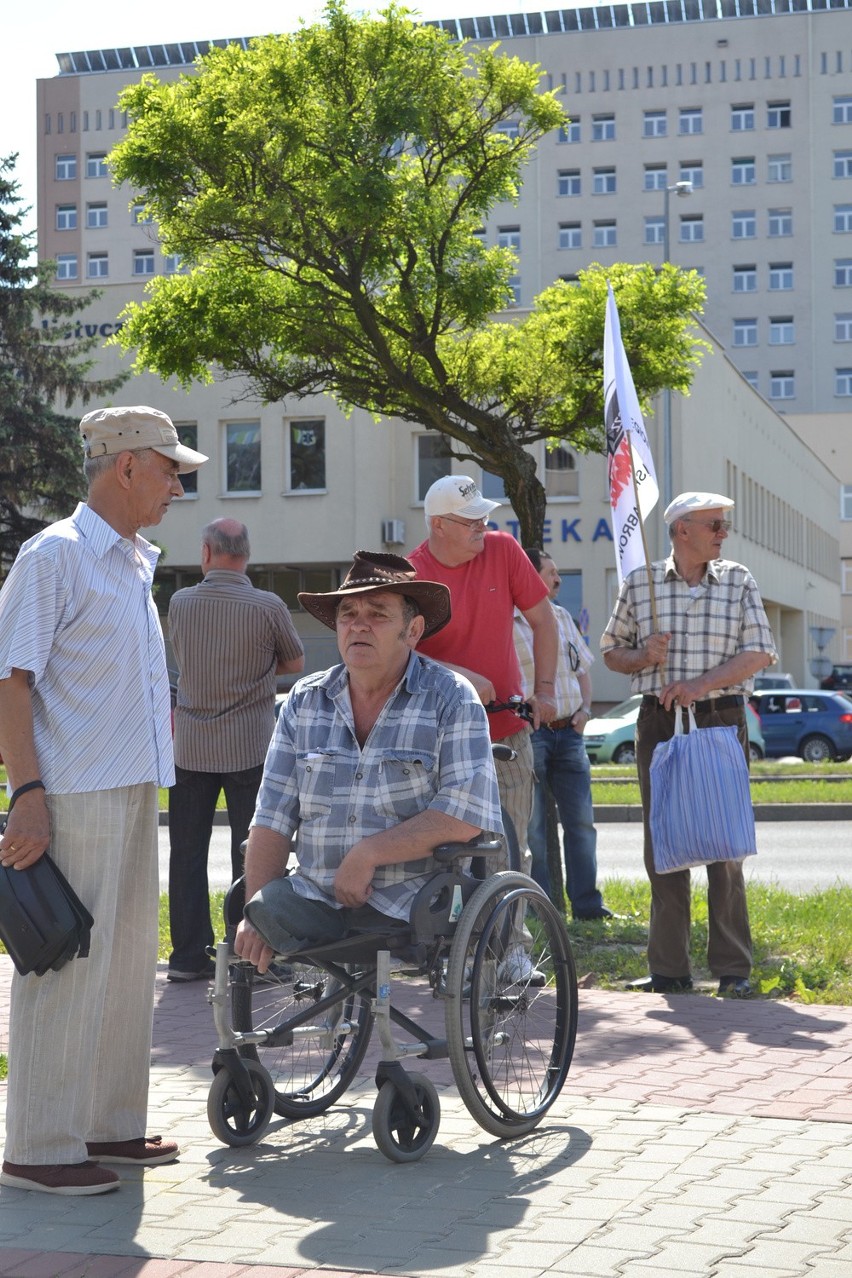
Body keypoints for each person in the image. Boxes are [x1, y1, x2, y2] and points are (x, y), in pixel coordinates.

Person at [0, 405, 207, 1196]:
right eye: (169, 470)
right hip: (71, 792)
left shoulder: (131, 559)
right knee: (64, 964)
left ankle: (109, 1125)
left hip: (128, 785)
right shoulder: (55, 554)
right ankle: (39, 1148)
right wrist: (27, 793)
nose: (176, 487)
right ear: (126, 466)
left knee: (124, 967)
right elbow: (8, 679)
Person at [234, 550, 502, 972]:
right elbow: (272, 817)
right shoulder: (304, 702)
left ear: (412, 630)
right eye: (347, 613)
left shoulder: (450, 697)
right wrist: (257, 908)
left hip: (410, 902)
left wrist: (369, 854)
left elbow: (465, 813)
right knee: (250, 908)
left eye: (377, 614)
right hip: (314, 895)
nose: (358, 625)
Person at [600, 491, 777, 998]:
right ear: (683, 531)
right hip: (659, 722)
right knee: (664, 844)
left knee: (726, 846)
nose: (723, 532)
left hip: (720, 717)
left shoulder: (738, 579)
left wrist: (699, 685)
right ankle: (669, 971)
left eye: (724, 524)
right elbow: (612, 653)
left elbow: (760, 652)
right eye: (715, 525)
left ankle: (733, 970)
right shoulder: (642, 583)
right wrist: (642, 656)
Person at [408, 476, 558, 983]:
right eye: (470, 521)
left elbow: (544, 620)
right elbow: (399, 652)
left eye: (483, 518)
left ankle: (511, 950)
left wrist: (546, 689)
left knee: (510, 839)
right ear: (438, 526)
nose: (483, 527)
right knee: (438, 844)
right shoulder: (413, 574)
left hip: (506, 728)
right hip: (439, 738)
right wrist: (460, 678)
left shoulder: (503, 549)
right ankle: (441, 946)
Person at [166, 518, 304, 982]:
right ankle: (252, 953)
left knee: (187, 852)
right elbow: (295, 661)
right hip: (249, 745)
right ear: (246, 553)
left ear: (207, 552)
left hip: (190, 747)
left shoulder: (180, 603)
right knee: (256, 852)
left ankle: (187, 956)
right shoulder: (268, 606)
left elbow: (181, 657)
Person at [514, 548, 615, 920]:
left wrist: (586, 710)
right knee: (536, 832)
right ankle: (545, 912)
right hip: (532, 734)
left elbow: (583, 668)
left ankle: (588, 906)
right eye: (551, 572)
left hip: (570, 733)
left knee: (582, 824)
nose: (558, 580)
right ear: (529, 575)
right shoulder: (506, 620)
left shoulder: (560, 616)